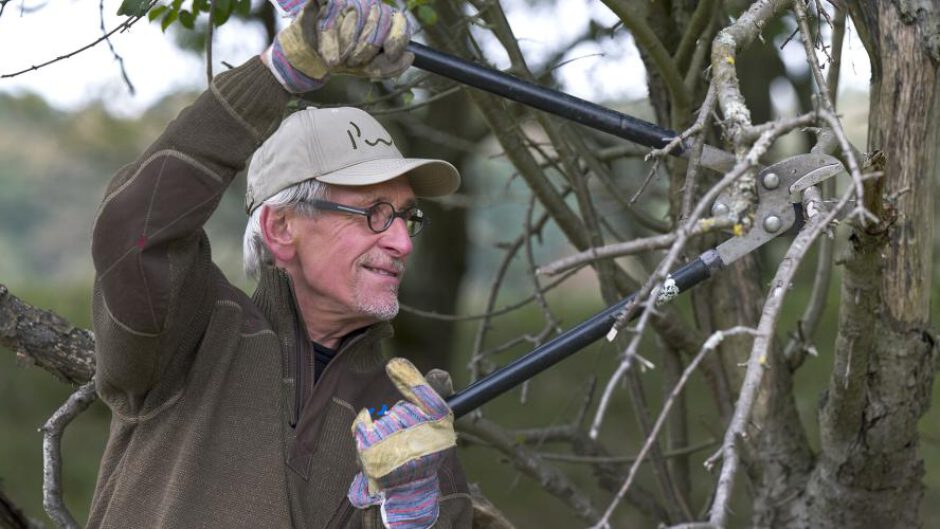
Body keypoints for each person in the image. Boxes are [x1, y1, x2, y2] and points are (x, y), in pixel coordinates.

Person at [87, 0, 471, 527]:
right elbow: (135, 229)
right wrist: (279, 72)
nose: (403, 242)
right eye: (374, 214)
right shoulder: (187, 335)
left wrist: (414, 516)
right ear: (282, 228)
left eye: (408, 216)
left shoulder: (410, 418)